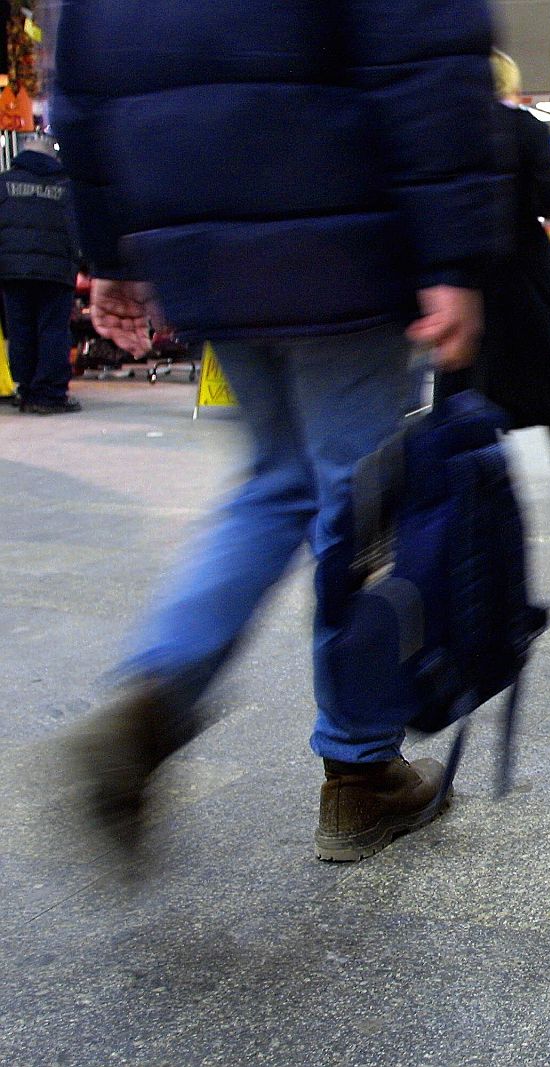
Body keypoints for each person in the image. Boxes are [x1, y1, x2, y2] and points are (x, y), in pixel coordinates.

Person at [54, 0, 507, 865]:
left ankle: (161, 681)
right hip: (344, 243)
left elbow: (79, 98)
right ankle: (361, 768)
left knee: (276, 481)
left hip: (203, 252)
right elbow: (428, 61)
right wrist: (452, 257)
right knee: (359, 505)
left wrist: (108, 252)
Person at [437, 51, 550, 472]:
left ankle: (473, 456)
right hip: (523, 257)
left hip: (468, 258)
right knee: (546, 352)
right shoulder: (528, 128)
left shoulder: (450, 129)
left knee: (471, 359)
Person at [0, 133, 80, 415]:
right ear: (52, 155)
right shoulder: (66, 185)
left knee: (20, 331)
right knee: (53, 331)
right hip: (56, 272)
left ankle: (26, 390)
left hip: (13, 271)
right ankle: (49, 394)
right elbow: (77, 229)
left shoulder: (3, 184)